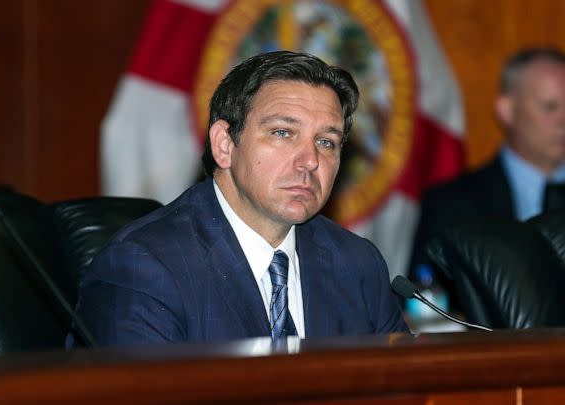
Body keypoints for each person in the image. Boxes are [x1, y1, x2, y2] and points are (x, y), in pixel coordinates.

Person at [67, 51, 408, 347]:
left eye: (326, 142)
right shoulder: (144, 269)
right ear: (224, 145)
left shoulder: (356, 263)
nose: (310, 161)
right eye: (283, 133)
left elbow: (409, 390)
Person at [410, 47, 565, 310]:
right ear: (507, 110)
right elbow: (425, 304)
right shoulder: (451, 204)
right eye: (550, 106)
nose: (563, 120)